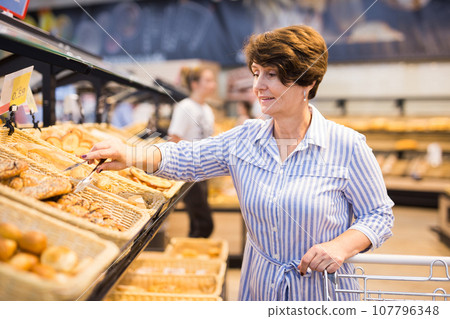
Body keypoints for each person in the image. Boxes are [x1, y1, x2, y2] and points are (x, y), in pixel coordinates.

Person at [83, 25, 394, 301]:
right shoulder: (245, 139)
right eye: (256, 73)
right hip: (261, 288)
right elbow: (187, 157)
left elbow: (379, 215)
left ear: (308, 80)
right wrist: (131, 153)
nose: (257, 86)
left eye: (271, 74)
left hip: (322, 294)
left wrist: (341, 246)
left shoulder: (347, 146)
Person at [167, 65, 216, 238]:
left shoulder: (207, 109)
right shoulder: (185, 107)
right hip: (188, 170)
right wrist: (199, 151)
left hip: (204, 169)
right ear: (195, 84)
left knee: (198, 222)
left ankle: (193, 258)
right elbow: (174, 138)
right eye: (208, 80)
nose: (213, 84)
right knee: (204, 223)